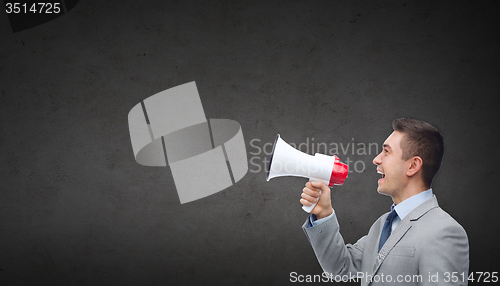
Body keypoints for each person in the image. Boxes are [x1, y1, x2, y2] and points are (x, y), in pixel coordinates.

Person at [300, 118, 469, 286]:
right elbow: (340, 267)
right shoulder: (381, 225)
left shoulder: (445, 232)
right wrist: (323, 213)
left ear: (412, 166)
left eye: (386, 152)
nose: (376, 159)